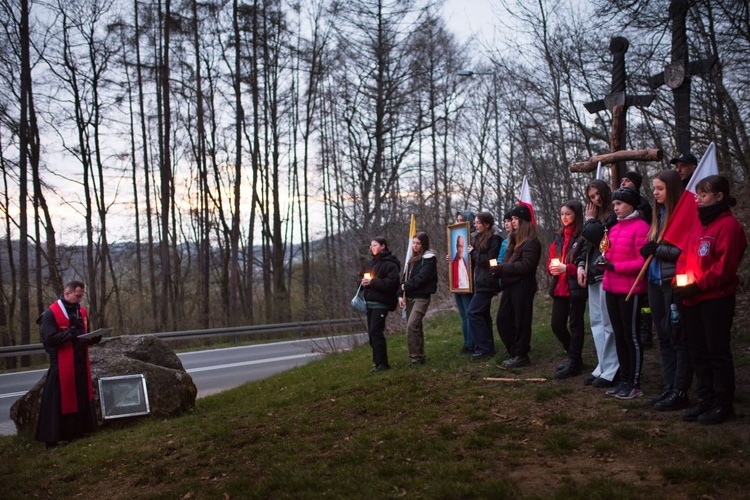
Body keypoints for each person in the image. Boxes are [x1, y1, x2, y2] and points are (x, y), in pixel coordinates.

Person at [675, 175, 747, 424]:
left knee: (717, 351)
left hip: (716, 299)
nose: (699, 199)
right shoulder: (698, 225)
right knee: (698, 351)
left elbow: (724, 267)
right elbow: (685, 257)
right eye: (698, 194)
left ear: (719, 196)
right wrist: (679, 281)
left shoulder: (729, 227)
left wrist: (698, 285)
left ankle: (722, 402)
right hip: (692, 299)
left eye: (704, 194)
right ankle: (704, 399)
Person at [640, 169, 691, 411]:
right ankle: (668, 386)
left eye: (660, 189)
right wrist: (647, 251)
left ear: (671, 189)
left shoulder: (683, 215)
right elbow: (653, 247)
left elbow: (684, 250)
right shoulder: (658, 215)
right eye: (654, 189)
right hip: (654, 281)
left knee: (677, 335)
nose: (656, 193)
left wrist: (657, 251)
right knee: (663, 337)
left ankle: (681, 389)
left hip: (672, 282)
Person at [36, 280, 101, 449]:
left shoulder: (81, 312)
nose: (80, 299)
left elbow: (82, 337)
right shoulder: (50, 314)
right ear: (67, 293)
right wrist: (70, 334)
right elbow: (48, 340)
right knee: (57, 401)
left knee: (80, 397)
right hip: (61, 365)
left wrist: (93, 338)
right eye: (77, 296)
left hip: (80, 363)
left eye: (81, 296)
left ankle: (76, 433)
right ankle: (52, 439)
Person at [598, 187, 650, 400]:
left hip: (630, 289)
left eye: (619, 204)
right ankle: (624, 379)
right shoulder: (614, 228)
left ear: (631, 204)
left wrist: (615, 267)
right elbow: (607, 252)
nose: (615, 207)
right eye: (615, 204)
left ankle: (635, 383)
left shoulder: (641, 228)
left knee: (631, 337)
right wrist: (602, 263)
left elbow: (642, 261)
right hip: (611, 288)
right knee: (619, 335)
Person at [577, 179, 619, 388]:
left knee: (608, 322)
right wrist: (580, 267)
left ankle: (612, 368)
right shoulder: (596, 217)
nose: (596, 199)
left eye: (597, 194)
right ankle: (602, 365)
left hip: (607, 272)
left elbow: (603, 241)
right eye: (591, 197)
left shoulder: (613, 215)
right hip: (593, 273)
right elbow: (586, 247)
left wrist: (590, 220)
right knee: (596, 323)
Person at [493, 205, 542, 368]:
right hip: (510, 285)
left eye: (515, 219)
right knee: (503, 320)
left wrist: (503, 268)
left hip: (523, 286)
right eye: (512, 219)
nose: (513, 222)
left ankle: (521, 354)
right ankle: (514, 351)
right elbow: (509, 263)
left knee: (521, 321)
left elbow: (526, 266)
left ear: (523, 221)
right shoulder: (514, 242)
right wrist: (497, 271)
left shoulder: (531, 242)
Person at [548, 200, 587, 379]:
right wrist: (552, 267)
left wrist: (568, 269)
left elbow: (585, 262)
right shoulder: (558, 236)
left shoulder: (583, 236)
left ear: (576, 215)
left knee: (576, 324)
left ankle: (574, 361)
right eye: (562, 214)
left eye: (568, 214)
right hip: (560, 286)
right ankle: (573, 356)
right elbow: (552, 257)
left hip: (574, 287)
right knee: (557, 325)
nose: (564, 217)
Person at [466, 212, 503, 361]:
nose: (475, 225)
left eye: (478, 223)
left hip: (488, 281)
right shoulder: (478, 239)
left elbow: (488, 260)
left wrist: (473, 253)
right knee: (482, 314)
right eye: (474, 222)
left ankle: (483, 348)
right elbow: (474, 260)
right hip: (479, 281)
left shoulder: (495, 239)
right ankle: (488, 348)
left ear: (486, 224)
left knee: (473, 313)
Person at [360, 237, 401, 372]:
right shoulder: (370, 264)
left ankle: (383, 364)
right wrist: (362, 283)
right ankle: (377, 362)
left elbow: (391, 283)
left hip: (382, 303)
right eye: (371, 246)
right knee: (372, 334)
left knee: (376, 332)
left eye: (375, 245)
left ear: (383, 246)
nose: (372, 248)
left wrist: (373, 282)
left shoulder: (391, 264)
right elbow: (361, 279)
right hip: (370, 303)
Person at [399, 232, 438, 366]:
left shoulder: (429, 259)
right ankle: (420, 356)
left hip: (422, 297)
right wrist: (400, 294)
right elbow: (404, 278)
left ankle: (414, 358)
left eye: (418, 243)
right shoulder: (411, 259)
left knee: (412, 325)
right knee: (416, 327)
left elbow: (422, 278)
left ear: (424, 244)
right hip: (409, 296)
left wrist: (406, 286)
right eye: (414, 243)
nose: (415, 246)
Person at [448, 210, 475, 355]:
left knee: (469, 315)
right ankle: (467, 343)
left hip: (468, 283)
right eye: (457, 220)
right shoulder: (457, 239)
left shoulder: (474, 238)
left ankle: (470, 345)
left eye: (461, 220)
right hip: (457, 283)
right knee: (464, 316)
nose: (458, 223)